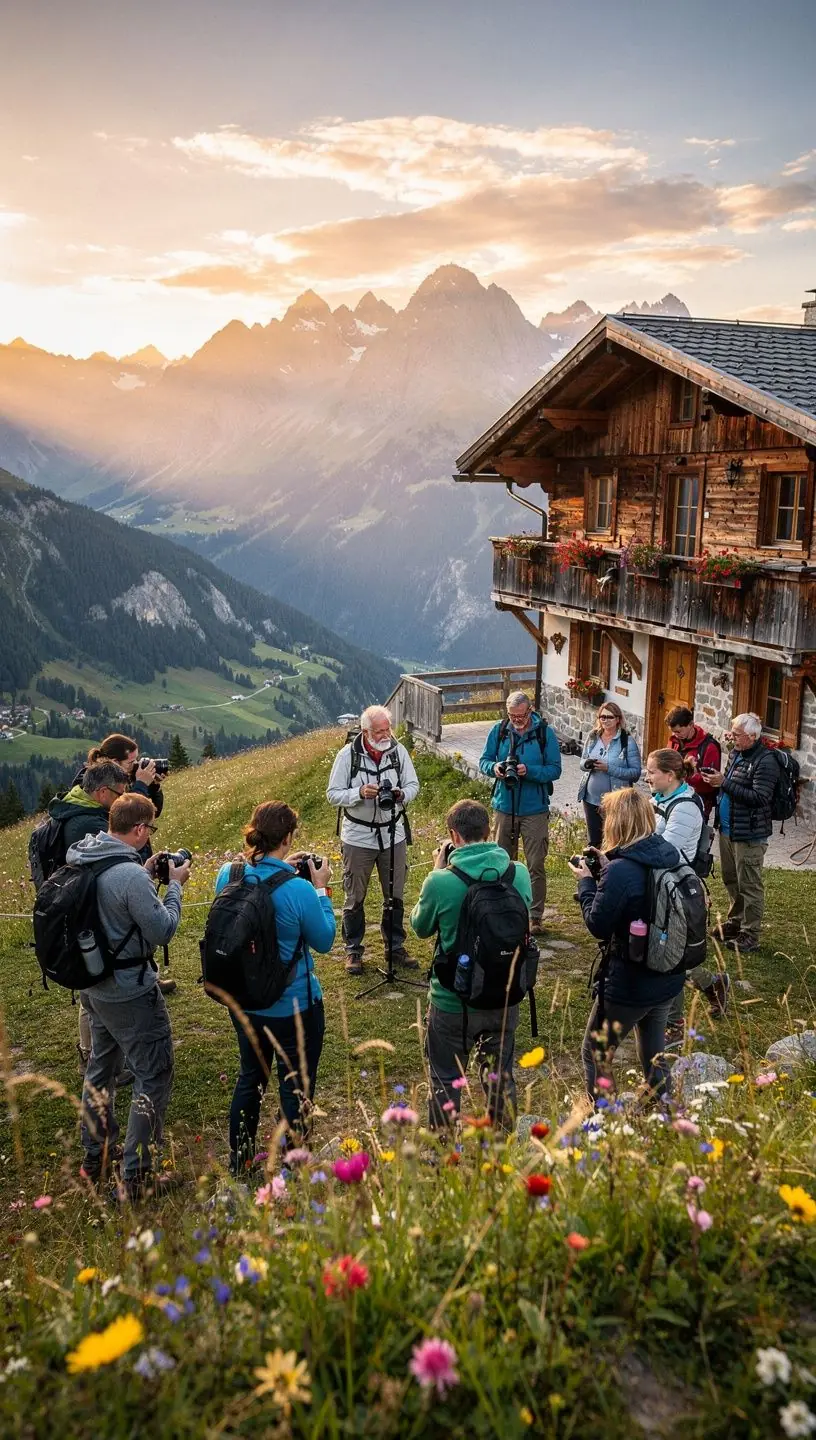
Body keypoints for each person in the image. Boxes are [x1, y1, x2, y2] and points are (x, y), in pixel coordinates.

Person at [73, 794, 190, 1201]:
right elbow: (161, 930)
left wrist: (142, 872)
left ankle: (95, 1155)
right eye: (149, 829)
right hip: (131, 991)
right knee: (153, 1073)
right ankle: (136, 1176)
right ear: (139, 829)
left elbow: (110, 904)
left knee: (101, 1068)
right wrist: (174, 887)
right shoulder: (129, 877)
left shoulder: (85, 856)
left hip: (94, 985)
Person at [213, 802, 335, 1172]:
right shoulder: (298, 890)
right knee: (295, 1083)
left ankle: (241, 1159)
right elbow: (325, 939)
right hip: (293, 1005)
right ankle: (292, 1163)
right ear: (288, 837)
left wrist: (282, 864)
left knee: (250, 1077)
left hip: (244, 1001)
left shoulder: (228, 874)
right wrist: (321, 889)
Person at [410, 799, 533, 1128]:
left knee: (446, 1078)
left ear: (453, 836)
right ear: (489, 830)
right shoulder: (517, 873)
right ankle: (503, 1147)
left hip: (454, 999)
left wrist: (437, 871)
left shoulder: (441, 881)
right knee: (499, 1077)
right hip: (506, 993)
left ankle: (445, 1151)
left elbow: (420, 928)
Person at [570, 788, 685, 1105]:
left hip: (630, 982)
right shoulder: (667, 853)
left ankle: (603, 1122)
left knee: (594, 1053)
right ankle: (664, 1112)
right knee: (653, 1052)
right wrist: (606, 871)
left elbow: (598, 924)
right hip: (666, 972)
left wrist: (586, 883)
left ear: (616, 824)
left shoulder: (620, 871)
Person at [327, 705, 420, 976]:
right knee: (355, 895)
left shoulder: (398, 752)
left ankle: (395, 946)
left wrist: (402, 795)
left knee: (396, 892)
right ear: (366, 731)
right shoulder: (348, 756)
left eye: (388, 729)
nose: (386, 735)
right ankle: (353, 950)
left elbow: (414, 785)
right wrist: (358, 792)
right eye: (380, 731)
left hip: (394, 832)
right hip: (358, 835)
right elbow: (333, 794)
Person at [647, 748, 730, 1030]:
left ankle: (674, 1024)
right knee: (670, 954)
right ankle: (714, 984)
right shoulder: (661, 798)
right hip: (661, 884)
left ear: (669, 775)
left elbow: (665, 853)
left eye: (651, 772)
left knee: (671, 956)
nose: (647, 777)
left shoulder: (683, 807)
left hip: (678, 889)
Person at [478, 691, 561, 934]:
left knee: (535, 864)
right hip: (504, 806)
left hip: (535, 808)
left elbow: (555, 769)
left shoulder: (545, 733)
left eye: (521, 716)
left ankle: (535, 917)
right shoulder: (499, 729)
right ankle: (503, 910)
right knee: (502, 862)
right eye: (512, 716)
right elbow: (484, 761)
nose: (517, 720)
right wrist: (495, 768)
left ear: (531, 710)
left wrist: (530, 771)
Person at [702, 712, 777, 953]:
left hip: (750, 834)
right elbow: (731, 782)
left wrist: (723, 782)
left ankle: (750, 934)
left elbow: (760, 798)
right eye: (731, 732)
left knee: (750, 884)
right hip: (729, 829)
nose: (731, 737)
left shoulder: (766, 761)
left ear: (753, 736)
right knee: (731, 878)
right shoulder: (738, 753)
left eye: (737, 734)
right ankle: (736, 922)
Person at [578, 701, 642, 849]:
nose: (605, 720)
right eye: (602, 717)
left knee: (614, 842)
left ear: (618, 719)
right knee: (594, 842)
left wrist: (609, 768)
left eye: (609, 717)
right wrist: (588, 764)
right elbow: (581, 762)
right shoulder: (593, 736)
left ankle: (610, 871)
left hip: (616, 801)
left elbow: (635, 773)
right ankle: (592, 871)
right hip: (590, 799)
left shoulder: (627, 741)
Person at [666, 707, 722, 821]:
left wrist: (687, 773)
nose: (675, 735)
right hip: (673, 797)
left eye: (678, 731)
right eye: (673, 731)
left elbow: (710, 783)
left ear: (691, 724)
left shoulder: (709, 747)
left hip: (697, 803)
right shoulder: (674, 740)